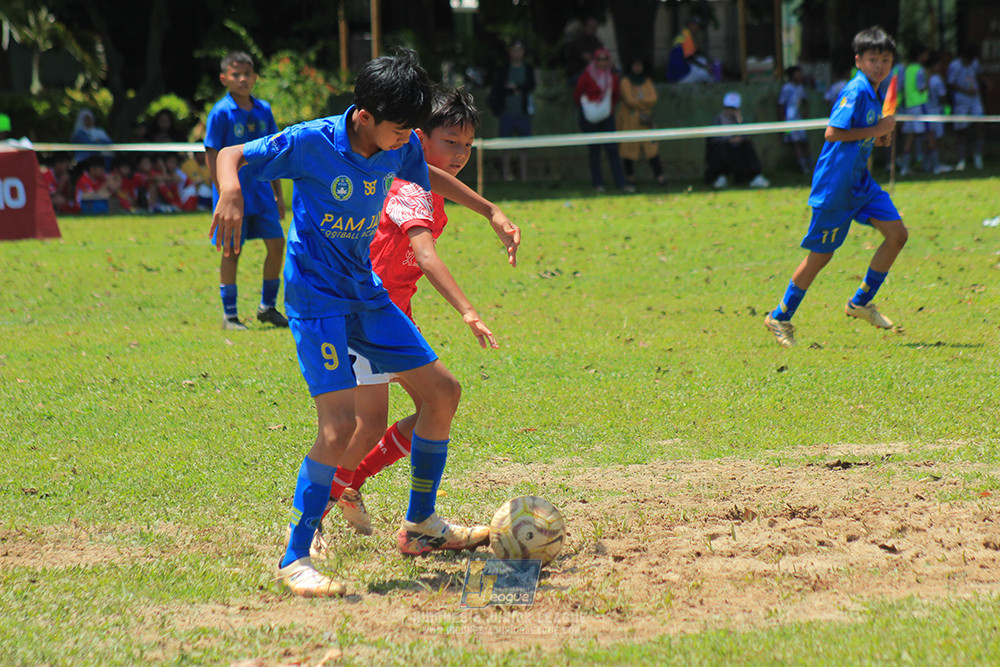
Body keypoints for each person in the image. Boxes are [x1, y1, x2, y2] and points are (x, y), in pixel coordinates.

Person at [210, 48, 521, 598]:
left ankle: (420, 527)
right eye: (401, 130)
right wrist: (231, 188)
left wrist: (490, 210)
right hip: (317, 301)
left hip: (367, 293)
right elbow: (232, 154)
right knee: (339, 430)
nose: (407, 140)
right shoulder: (311, 142)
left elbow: (425, 174)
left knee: (442, 392)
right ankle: (295, 556)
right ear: (363, 117)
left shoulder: (396, 147)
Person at [305, 85, 509, 543]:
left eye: (468, 146)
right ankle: (322, 511)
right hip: (362, 314)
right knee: (372, 424)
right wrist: (469, 310)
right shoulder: (406, 189)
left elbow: (439, 180)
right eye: (449, 142)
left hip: (391, 313)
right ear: (418, 138)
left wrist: (489, 210)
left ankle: (388, 508)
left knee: (433, 404)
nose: (459, 155)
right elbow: (427, 254)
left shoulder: (418, 176)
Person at [764, 26, 905, 349]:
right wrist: (876, 128)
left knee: (897, 235)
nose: (880, 65)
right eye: (873, 59)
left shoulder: (875, 90)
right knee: (820, 258)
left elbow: (866, 134)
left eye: (885, 59)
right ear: (859, 61)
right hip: (836, 187)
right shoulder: (855, 91)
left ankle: (860, 302)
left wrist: (880, 135)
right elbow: (832, 133)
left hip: (861, 184)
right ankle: (780, 316)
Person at [205, 51, 288, 331]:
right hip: (234, 197)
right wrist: (221, 195)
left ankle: (268, 307)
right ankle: (230, 315)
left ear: (254, 77)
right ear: (224, 78)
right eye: (235, 74)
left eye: (247, 74)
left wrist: (278, 194)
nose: (242, 79)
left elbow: (275, 151)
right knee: (231, 251)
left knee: (277, 245)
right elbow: (212, 153)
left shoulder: (264, 110)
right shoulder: (220, 113)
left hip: (262, 193)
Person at [574, 48, 632, 193]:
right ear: (595, 60)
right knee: (594, 151)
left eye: (605, 59)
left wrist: (608, 109)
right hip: (589, 118)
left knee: (612, 149)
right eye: (599, 59)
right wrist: (589, 109)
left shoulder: (612, 77)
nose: (602, 62)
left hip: (607, 116)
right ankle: (598, 184)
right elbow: (577, 94)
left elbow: (616, 95)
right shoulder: (587, 75)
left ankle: (620, 183)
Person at [487, 39, 535, 182]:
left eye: (519, 50)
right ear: (510, 52)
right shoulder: (504, 68)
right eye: (514, 50)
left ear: (523, 52)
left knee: (523, 146)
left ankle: (524, 177)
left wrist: (515, 88)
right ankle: (505, 177)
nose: (517, 53)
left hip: (523, 113)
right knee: (505, 146)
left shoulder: (528, 68)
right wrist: (513, 89)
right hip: (506, 113)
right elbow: (499, 88)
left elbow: (530, 86)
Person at [617, 57, 667, 187]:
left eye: (640, 65)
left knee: (652, 150)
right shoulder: (626, 82)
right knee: (628, 151)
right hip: (629, 122)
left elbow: (653, 99)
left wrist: (639, 103)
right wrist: (644, 104)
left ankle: (660, 178)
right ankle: (630, 180)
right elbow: (629, 100)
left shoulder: (647, 81)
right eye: (635, 65)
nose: (638, 68)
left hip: (645, 122)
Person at [704, 92, 769, 190]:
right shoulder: (717, 120)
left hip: (738, 154)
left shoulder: (741, 121)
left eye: (733, 109)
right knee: (721, 147)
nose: (730, 111)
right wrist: (729, 140)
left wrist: (740, 123)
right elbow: (713, 140)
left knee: (747, 146)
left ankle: (756, 177)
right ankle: (721, 177)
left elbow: (748, 136)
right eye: (728, 108)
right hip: (722, 154)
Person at [898, 45, 944, 175]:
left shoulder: (908, 69)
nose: (927, 57)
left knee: (910, 137)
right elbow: (921, 88)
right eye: (925, 54)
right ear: (920, 55)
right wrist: (928, 79)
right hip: (920, 106)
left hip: (909, 107)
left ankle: (904, 168)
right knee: (929, 134)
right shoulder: (920, 70)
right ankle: (936, 166)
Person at [947, 45, 986, 171]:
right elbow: (951, 83)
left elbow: (979, 76)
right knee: (961, 131)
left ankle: (978, 157)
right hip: (961, 102)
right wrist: (966, 91)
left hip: (975, 101)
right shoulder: (954, 66)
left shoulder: (975, 63)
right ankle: (961, 160)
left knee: (980, 126)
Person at [778, 66, 812, 174]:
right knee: (796, 143)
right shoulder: (787, 88)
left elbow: (805, 101)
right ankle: (804, 168)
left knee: (804, 142)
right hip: (790, 120)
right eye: (798, 73)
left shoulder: (800, 88)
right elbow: (781, 104)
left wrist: (805, 112)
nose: (800, 76)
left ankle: (811, 166)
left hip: (799, 119)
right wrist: (782, 118)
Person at [925, 50, 952, 172]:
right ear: (935, 65)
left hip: (925, 112)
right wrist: (947, 106)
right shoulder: (937, 79)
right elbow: (942, 96)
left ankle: (928, 165)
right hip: (936, 112)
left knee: (929, 139)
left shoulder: (925, 77)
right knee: (935, 140)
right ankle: (936, 166)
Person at [666, 15, 713, 84]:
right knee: (707, 75)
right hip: (681, 76)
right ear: (691, 25)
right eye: (697, 26)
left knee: (702, 62)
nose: (698, 29)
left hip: (673, 75)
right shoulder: (686, 36)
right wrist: (705, 66)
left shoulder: (682, 34)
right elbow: (691, 57)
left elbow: (693, 54)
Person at [563, 17, 603, 87]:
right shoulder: (579, 41)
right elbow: (588, 58)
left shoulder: (596, 42)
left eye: (594, 27)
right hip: (576, 74)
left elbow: (603, 55)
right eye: (590, 27)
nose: (592, 30)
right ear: (585, 27)